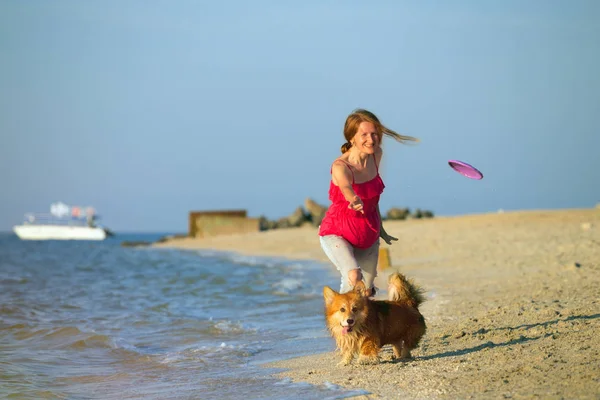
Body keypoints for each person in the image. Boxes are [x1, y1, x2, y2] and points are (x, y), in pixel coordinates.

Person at [318, 109, 418, 296]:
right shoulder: (341, 166)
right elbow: (346, 187)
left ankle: (357, 325)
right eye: (364, 135)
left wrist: (381, 228)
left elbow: (373, 197)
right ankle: (340, 325)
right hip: (337, 232)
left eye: (375, 134)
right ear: (351, 138)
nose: (371, 140)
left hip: (368, 232)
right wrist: (353, 198)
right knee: (354, 276)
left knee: (366, 291)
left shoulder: (375, 155)